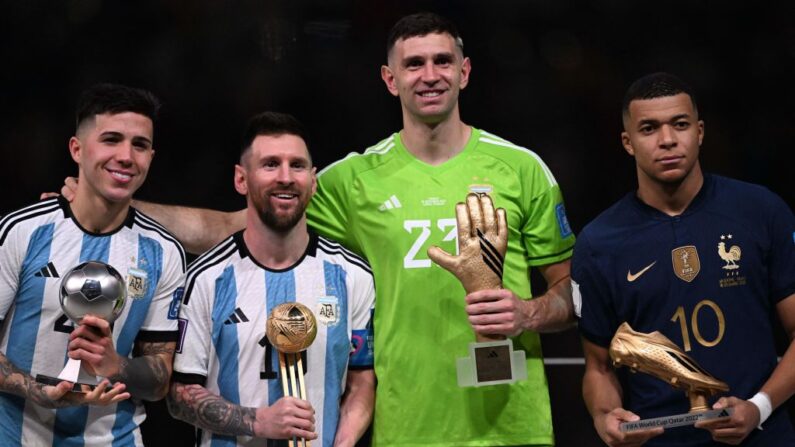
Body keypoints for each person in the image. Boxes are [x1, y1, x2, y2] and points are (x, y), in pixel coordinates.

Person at [55, 12, 576, 446]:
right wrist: (113, 204)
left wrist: (528, 311)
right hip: (407, 427)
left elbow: (571, 297)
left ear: (465, 71)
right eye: (413, 64)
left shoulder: (522, 169)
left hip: (514, 423)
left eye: (442, 61)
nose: (430, 74)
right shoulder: (353, 181)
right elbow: (237, 225)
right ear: (390, 79)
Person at [573, 72, 795, 446]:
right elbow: (598, 367)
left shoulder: (761, 211)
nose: (668, 140)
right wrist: (604, 416)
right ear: (628, 143)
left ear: (701, 131)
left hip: (762, 436)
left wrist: (759, 407)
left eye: (680, 124)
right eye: (649, 128)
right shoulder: (599, 242)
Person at [165, 111, 375, 447]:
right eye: (270, 164)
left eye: (297, 165)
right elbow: (178, 396)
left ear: (314, 179)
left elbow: (362, 381)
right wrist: (257, 421)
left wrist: (343, 444)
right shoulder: (206, 278)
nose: (286, 177)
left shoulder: (352, 275)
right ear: (241, 179)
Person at [0, 83, 186, 445]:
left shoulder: (163, 253)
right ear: (77, 149)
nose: (126, 156)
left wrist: (117, 365)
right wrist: (39, 391)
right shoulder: (21, 232)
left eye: (140, 145)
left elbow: (160, 380)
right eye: (111, 139)